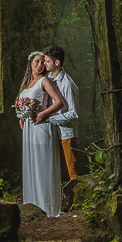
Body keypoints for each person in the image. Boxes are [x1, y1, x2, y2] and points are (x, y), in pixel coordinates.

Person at [17, 51, 65, 217]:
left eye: (43, 63)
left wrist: (43, 113)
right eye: (37, 61)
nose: (40, 65)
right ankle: (33, 203)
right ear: (30, 63)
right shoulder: (27, 84)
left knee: (43, 165)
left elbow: (59, 102)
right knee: (32, 164)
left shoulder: (44, 81)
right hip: (29, 129)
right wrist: (22, 117)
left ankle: (48, 206)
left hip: (41, 127)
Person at [43, 45, 81, 204]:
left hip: (67, 134)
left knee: (71, 171)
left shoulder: (67, 84)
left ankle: (76, 203)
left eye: (47, 61)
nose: (44, 64)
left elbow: (74, 113)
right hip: (52, 132)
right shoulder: (48, 79)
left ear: (57, 62)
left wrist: (50, 119)